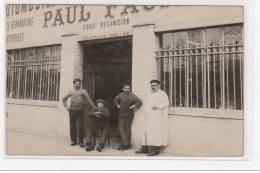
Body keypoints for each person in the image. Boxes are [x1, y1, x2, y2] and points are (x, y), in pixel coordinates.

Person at [135, 79, 169, 156]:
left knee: (155, 132)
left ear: (158, 86)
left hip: (157, 116)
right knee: (146, 132)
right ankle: (145, 148)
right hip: (147, 116)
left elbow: (166, 103)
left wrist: (158, 106)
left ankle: (155, 150)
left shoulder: (162, 94)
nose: (153, 87)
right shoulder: (149, 94)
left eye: (155, 85)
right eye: (152, 85)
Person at [62, 79, 95, 148]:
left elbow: (88, 99)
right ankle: (74, 141)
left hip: (80, 110)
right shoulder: (71, 91)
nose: (77, 85)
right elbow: (64, 98)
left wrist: (93, 105)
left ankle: (81, 142)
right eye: (76, 83)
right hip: (72, 110)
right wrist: (66, 106)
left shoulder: (83, 91)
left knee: (81, 127)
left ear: (80, 84)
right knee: (72, 126)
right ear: (74, 84)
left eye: (79, 83)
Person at [114, 83, 142, 150]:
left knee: (127, 129)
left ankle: (124, 144)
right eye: (126, 88)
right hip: (121, 113)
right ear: (123, 89)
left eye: (128, 88)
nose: (127, 90)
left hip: (129, 114)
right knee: (120, 129)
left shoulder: (132, 96)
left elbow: (139, 102)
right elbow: (115, 99)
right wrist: (117, 105)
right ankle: (126, 144)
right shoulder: (121, 95)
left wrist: (133, 106)